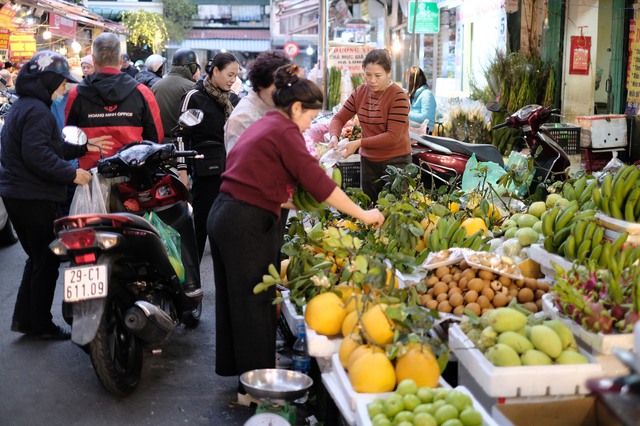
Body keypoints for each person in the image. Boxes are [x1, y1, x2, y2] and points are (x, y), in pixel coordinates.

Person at [207, 65, 385, 403]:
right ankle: (257, 389)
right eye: (309, 118)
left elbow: (253, 171)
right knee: (255, 303)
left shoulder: (268, 124)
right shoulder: (284, 130)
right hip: (244, 222)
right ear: (297, 108)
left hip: (226, 214)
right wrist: (363, 213)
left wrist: (283, 197)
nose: (308, 126)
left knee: (238, 302)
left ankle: (245, 378)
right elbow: (318, 183)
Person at [0, 51, 106, 339]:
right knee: (46, 258)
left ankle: (26, 319)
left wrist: (83, 148)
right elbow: (37, 155)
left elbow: (51, 145)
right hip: (31, 196)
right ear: (48, 81)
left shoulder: (28, 106)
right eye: (61, 84)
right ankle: (40, 325)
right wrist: (71, 173)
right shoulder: (35, 110)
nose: (63, 90)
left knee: (38, 258)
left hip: (20, 194)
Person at [65, 32, 164, 170]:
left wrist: (86, 146)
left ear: (93, 60)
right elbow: (156, 139)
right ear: (120, 59)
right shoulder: (142, 93)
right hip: (132, 176)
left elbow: (68, 143)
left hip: (89, 179)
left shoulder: (76, 94)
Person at [328, 49, 411, 204]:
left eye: (378, 75)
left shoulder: (398, 96)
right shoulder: (361, 92)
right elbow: (338, 118)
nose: (372, 80)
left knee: (395, 212)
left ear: (388, 73)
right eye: (368, 74)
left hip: (396, 163)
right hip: (369, 163)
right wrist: (334, 136)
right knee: (371, 208)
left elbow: (393, 136)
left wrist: (359, 143)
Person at [179, 52, 239, 262]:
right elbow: (181, 136)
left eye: (236, 76)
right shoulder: (194, 97)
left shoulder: (233, 99)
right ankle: (192, 276)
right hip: (205, 170)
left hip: (232, 170)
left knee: (228, 224)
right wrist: (182, 171)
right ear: (215, 71)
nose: (233, 80)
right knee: (201, 224)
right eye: (229, 75)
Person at [224, 50, 291, 154]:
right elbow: (241, 166)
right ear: (261, 84)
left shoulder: (274, 107)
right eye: (279, 85)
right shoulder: (243, 119)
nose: (284, 91)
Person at [152, 48, 201, 188]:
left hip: (159, 148)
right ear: (191, 67)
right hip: (183, 150)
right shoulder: (193, 88)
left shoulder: (156, 85)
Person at [406, 66, 437, 134]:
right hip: (415, 132)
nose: (407, 84)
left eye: (407, 81)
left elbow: (425, 117)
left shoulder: (426, 95)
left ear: (413, 81)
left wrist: (406, 113)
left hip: (424, 134)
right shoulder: (414, 95)